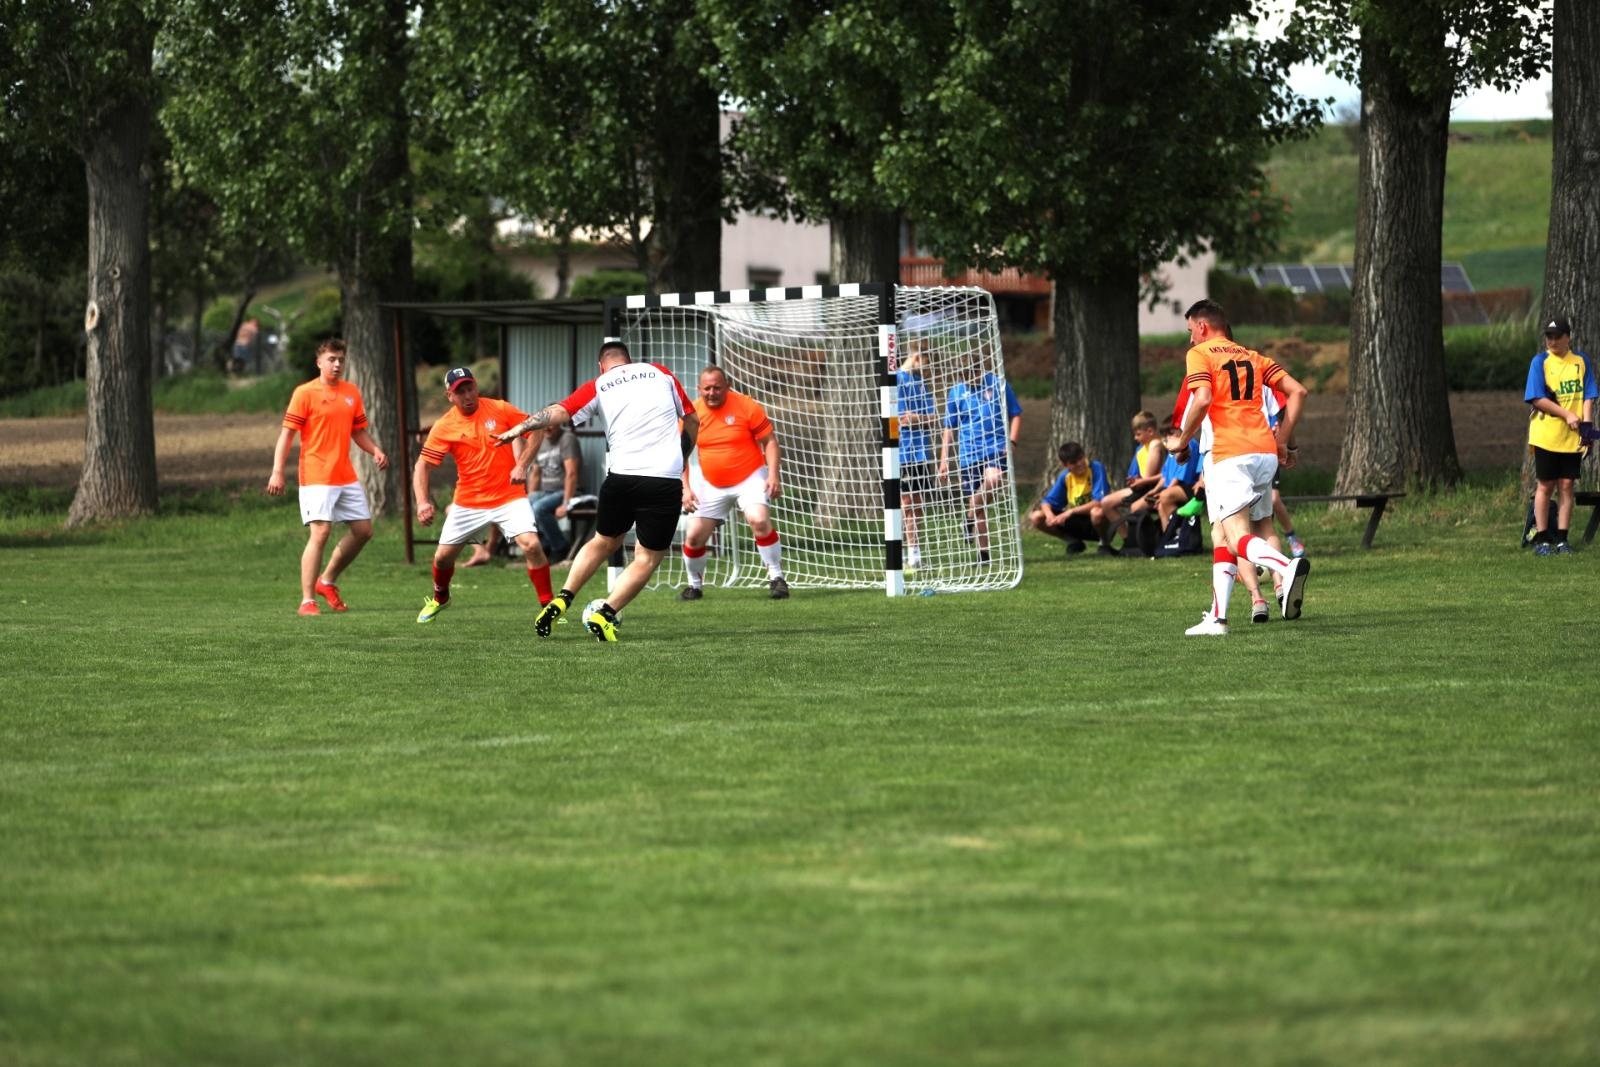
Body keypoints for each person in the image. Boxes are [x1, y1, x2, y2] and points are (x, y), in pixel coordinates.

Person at [494, 340, 698, 642]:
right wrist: (683, 454)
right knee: (647, 558)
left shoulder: (599, 384)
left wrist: (521, 428)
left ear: (601, 365)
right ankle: (606, 611)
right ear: (630, 361)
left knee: (603, 541)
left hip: (620, 479)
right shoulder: (661, 372)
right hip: (661, 481)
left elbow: (558, 412)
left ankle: (563, 598)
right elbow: (692, 420)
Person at [1173, 299, 1311, 636]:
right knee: (1221, 533)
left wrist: (1181, 441)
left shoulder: (1200, 354)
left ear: (1202, 327)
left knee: (1237, 538)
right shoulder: (1253, 356)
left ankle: (1286, 567)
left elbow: (1203, 399)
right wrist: (1283, 442)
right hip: (1263, 454)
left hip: (1229, 454)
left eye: (1191, 330)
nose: (1191, 339)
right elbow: (1298, 392)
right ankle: (1218, 619)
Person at [412, 367, 556, 623]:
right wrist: (422, 501)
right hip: (469, 501)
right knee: (443, 558)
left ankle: (549, 607)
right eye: (460, 392)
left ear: (476, 386)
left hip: (509, 497)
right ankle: (440, 597)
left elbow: (537, 426)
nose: (468, 395)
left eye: (470, 388)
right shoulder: (444, 426)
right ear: (450, 396)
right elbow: (422, 466)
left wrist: (521, 464)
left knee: (532, 545)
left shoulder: (499, 409)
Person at [266, 338, 389, 616]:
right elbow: (287, 435)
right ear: (319, 362)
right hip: (316, 475)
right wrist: (277, 472)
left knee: (363, 531)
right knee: (321, 532)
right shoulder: (304, 393)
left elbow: (358, 431)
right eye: (331, 359)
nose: (337, 364)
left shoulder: (351, 392)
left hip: (345, 475)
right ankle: (307, 600)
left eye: (341, 360)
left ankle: (327, 580)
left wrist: (375, 450)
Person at [679, 365, 789, 600]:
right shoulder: (692, 415)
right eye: (707, 388)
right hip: (711, 484)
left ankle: (777, 578)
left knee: (758, 519)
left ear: (727, 386)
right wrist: (685, 489)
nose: (712, 392)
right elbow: (681, 455)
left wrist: (773, 475)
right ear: (699, 389)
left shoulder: (746, 405)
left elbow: (769, 441)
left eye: (717, 388)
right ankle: (694, 586)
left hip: (749, 477)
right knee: (694, 536)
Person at [1523, 316, 1596, 555]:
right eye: (1549, 336)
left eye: (1557, 336)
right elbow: (1537, 398)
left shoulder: (1581, 361)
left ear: (1568, 337)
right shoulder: (1540, 362)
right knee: (1545, 485)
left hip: (1571, 437)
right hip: (1547, 434)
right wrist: (1566, 414)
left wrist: (1587, 427)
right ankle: (1542, 539)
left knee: (1566, 485)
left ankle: (1562, 539)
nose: (1552, 341)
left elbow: (1588, 395)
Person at [937, 361, 1022, 564]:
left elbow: (1016, 414)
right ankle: (983, 555)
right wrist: (944, 460)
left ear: (979, 370)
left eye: (971, 374)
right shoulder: (956, 393)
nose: (968, 379)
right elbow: (949, 427)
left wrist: (1012, 441)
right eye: (963, 375)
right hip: (968, 454)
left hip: (995, 447)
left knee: (994, 479)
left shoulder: (998, 384)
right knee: (980, 506)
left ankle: (968, 516)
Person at [467, 424, 582, 567]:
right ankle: (543, 545)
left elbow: (571, 473)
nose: (548, 428)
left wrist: (566, 503)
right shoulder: (542, 440)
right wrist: (527, 495)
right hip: (545, 492)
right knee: (526, 506)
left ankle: (559, 547)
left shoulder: (567, 439)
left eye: (552, 424)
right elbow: (536, 473)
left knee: (539, 508)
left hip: (564, 491)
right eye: (545, 425)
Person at [1098, 410, 1166, 555]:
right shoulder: (1143, 448)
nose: (1135, 438)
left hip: (1155, 489)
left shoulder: (1156, 445)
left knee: (1136, 507)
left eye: (1138, 434)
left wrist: (1139, 481)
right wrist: (1135, 481)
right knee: (1106, 503)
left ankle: (1144, 542)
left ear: (1150, 431)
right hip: (1142, 487)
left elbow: (1149, 476)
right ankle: (1128, 540)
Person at [896, 341, 938, 574]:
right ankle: (901, 553)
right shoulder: (898, 379)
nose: (929, 368)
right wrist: (915, 418)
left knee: (918, 504)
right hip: (902, 452)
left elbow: (933, 417)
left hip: (921, 452)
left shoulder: (922, 384)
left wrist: (917, 417)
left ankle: (915, 554)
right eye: (927, 361)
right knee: (905, 503)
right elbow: (901, 418)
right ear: (916, 357)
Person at [1028, 442, 1110, 553]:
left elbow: (1099, 502)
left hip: (1097, 520)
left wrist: (1070, 512)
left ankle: (1104, 543)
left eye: (1081, 458)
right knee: (1036, 517)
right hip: (1077, 520)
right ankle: (1073, 542)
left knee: (1097, 512)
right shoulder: (1065, 476)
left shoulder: (1096, 468)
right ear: (1065, 465)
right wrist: (1050, 515)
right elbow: (1046, 502)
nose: (1080, 463)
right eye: (1074, 462)